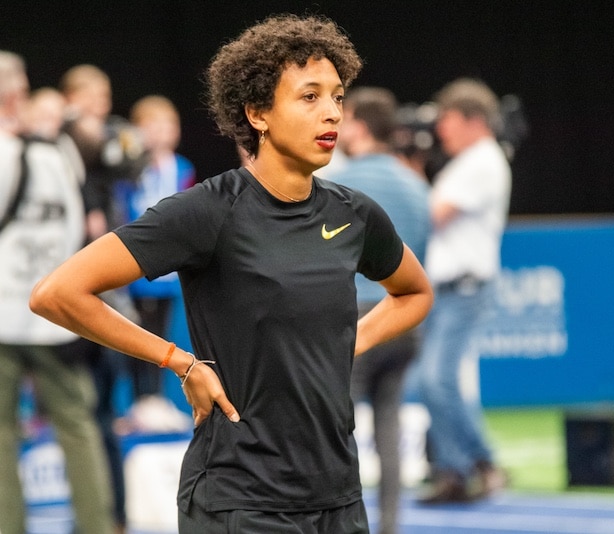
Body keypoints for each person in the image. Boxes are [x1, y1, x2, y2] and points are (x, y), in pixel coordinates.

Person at [30, 13, 433, 534]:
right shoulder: (208, 211)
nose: (331, 112)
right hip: (238, 503)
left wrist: (350, 341)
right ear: (258, 113)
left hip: (338, 501)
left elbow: (415, 293)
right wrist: (179, 362)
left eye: (337, 96)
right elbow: (57, 293)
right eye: (309, 97)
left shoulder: (354, 214)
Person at [0, 50, 116, 534]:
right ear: (19, 92)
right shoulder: (58, 153)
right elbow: (79, 238)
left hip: (2, 318)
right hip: (54, 314)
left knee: (2, 434)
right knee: (78, 425)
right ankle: (96, 525)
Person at [326, 86, 431, 534]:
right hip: (405, 325)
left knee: (335, 430)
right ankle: (388, 525)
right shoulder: (416, 183)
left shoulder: (342, 181)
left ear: (360, 127)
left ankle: (339, 523)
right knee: (388, 426)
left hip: (358, 322)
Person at [414, 78, 511, 503]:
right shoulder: (468, 160)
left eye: (447, 121)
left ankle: (483, 462)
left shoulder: (483, 161)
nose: (440, 131)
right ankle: (451, 472)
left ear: (473, 121)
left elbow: (430, 215)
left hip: (464, 288)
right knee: (431, 380)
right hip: (446, 289)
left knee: (438, 379)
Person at [60, 62, 143, 532]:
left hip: (110, 290)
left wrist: (105, 134)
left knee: (106, 412)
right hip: (71, 287)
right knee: (80, 412)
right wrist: (76, 125)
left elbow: (134, 158)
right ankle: (92, 515)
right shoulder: (61, 139)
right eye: (92, 96)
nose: (102, 105)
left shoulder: (111, 139)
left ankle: (114, 517)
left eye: (105, 95)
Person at [116, 94, 195, 429]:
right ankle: (138, 402)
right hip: (136, 266)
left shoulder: (182, 167)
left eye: (168, 125)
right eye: (153, 126)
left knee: (165, 335)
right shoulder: (129, 166)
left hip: (170, 271)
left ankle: (159, 401)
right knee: (137, 335)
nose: (162, 133)